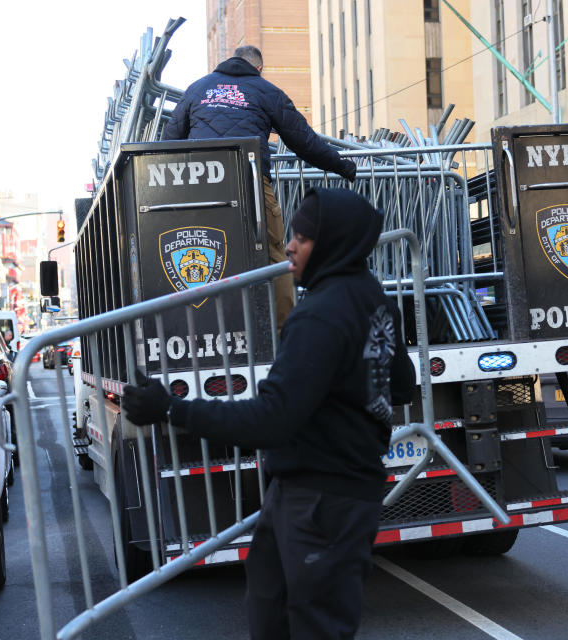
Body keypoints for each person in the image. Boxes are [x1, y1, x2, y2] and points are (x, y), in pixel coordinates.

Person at [122, 188, 415, 639]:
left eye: (303, 236)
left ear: (334, 242)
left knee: (313, 625)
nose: (291, 245)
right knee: (269, 608)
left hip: (322, 501)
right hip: (320, 493)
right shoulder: (373, 298)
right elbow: (401, 385)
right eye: (292, 234)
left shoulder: (319, 315)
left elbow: (271, 419)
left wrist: (170, 408)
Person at [161, 45, 357, 328]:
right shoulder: (266, 91)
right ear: (259, 69)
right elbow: (305, 142)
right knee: (276, 254)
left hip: (200, 189)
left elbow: (168, 141)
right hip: (250, 185)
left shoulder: (196, 89)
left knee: (208, 253)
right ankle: (284, 331)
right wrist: (344, 166)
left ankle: (212, 329)